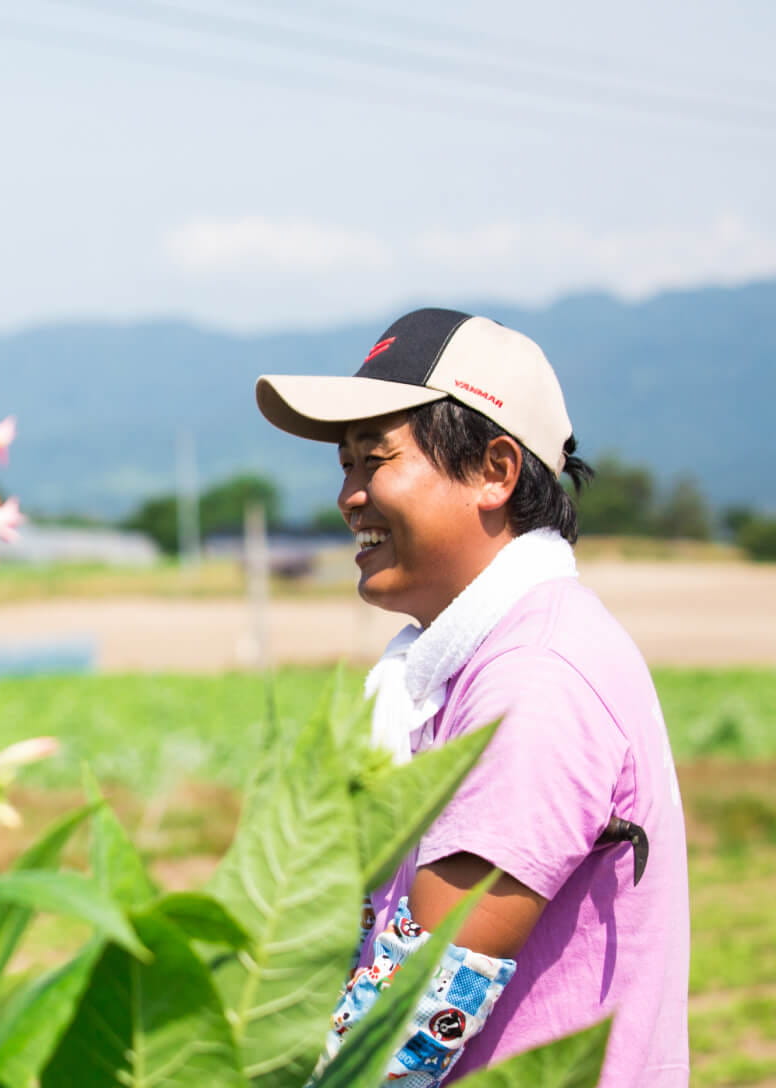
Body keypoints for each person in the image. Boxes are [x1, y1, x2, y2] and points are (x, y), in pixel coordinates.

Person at [254, 308, 689, 1086]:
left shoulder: (536, 675)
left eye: (375, 459)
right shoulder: (460, 665)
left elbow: (421, 1001)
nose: (351, 496)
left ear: (495, 470)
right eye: (345, 466)